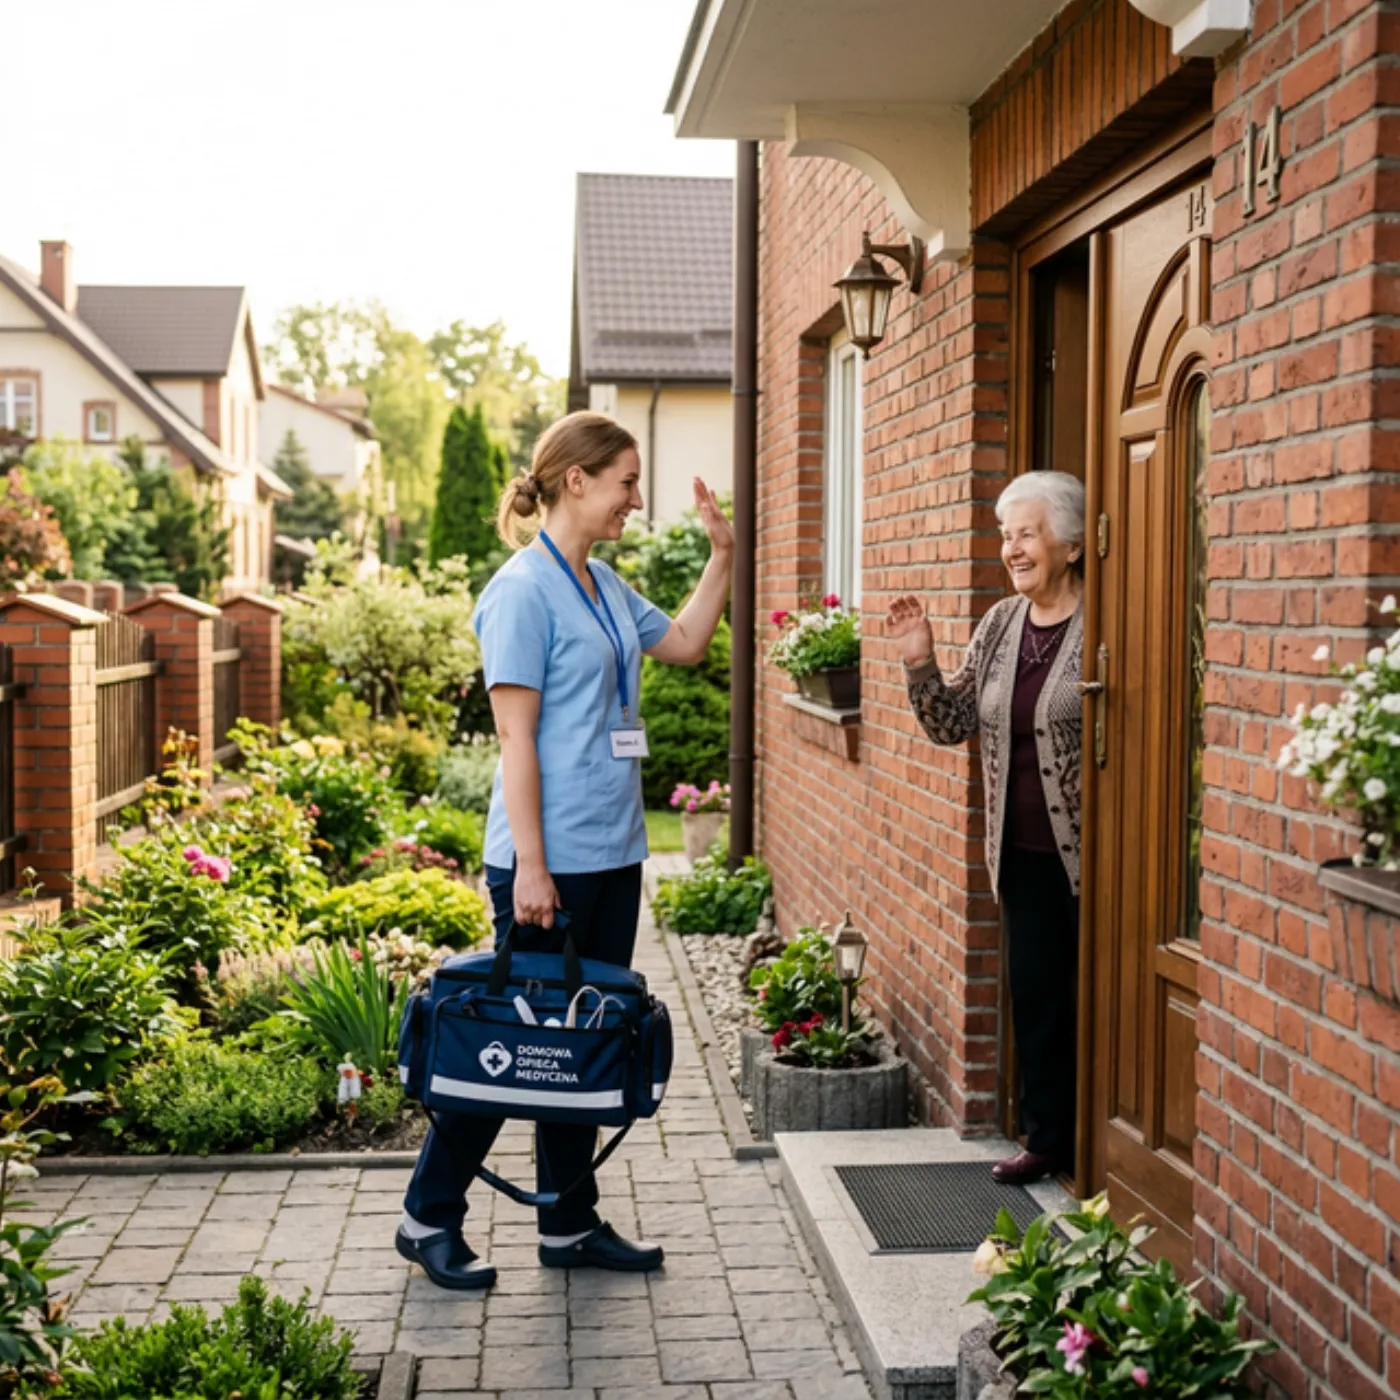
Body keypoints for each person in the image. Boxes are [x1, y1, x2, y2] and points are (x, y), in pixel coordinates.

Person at [398, 411, 733, 1289]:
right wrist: (533, 869)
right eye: (626, 480)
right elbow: (517, 741)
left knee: (576, 1049)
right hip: (544, 863)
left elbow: (690, 645)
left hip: (613, 855)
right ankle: (426, 1215)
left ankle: (567, 1224)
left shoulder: (607, 587)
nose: (636, 498)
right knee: (509, 1046)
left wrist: (723, 556)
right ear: (575, 481)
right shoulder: (521, 591)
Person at [885, 470, 1085, 1186]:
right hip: (1023, 854)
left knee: (1097, 997)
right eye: (1007, 536)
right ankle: (1047, 1140)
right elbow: (952, 724)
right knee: (1037, 999)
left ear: (1071, 541)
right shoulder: (1001, 624)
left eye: (1026, 533)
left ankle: (1110, 1146)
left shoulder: (1105, 622)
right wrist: (919, 660)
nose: (1013, 549)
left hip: (1098, 857)